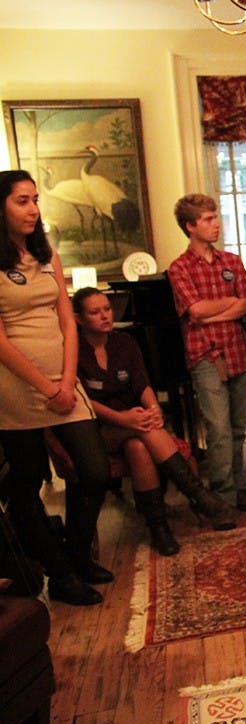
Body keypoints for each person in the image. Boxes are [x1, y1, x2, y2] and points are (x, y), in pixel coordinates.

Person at [0, 169, 110, 606]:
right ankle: (61, 575)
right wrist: (45, 386)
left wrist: (66, 380)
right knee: (25, 485)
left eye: (34, 200)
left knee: (96, 471)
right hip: (16, 389)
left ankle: (75, 555)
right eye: (21, 201)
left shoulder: (46, 256)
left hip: (63, 383)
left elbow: (67, 318)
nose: (32, 209)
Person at [73, 287, 237, 553]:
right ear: (79, 319)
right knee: (143, 431)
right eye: (95, 312)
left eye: (107, 309)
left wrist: (152, 408)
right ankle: (200, 497)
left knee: (138, 447)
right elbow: (81, 399)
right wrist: (123, 418)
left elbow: (142, 383)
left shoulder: (124, 342)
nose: (104, 316)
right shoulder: (74, 351)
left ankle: (158, 527)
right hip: (98, 428)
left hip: (133, 422)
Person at [168, 194, 246, 515]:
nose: (216, 224)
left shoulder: (232, 261)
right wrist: (226, 306)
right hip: (206, 355)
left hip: (238, 350)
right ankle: (221, 495)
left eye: (215, 217)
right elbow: (194, 310)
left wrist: (212, 313)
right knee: (218, 429)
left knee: (237, 427)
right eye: (207, 219)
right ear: (190, 226)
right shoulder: (179, 268)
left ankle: (235, 487)